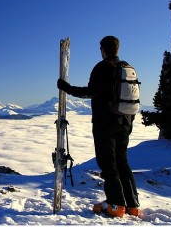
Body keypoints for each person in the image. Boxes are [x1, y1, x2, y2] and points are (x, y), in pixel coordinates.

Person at [57, 36, 140, 218]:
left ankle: (116, 206)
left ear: (103, 49)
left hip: (105, 124)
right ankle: (133, 205)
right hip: (126, 122)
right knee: (122, 161)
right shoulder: (127, 68)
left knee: (108, 163)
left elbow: (91, 92)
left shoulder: (102, 67)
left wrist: (66, 88)